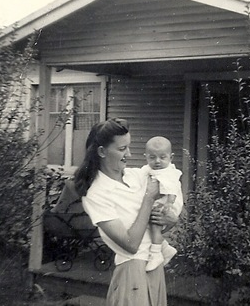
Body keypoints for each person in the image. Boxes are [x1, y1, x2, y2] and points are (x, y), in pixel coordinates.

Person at [73, 119, 182, 306]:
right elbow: (130, 244)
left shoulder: (136, 176)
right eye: (122, 149)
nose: (129, 154)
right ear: (102, 152)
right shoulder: (96, 194)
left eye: (129, 147)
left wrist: (172, 219)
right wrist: (148, 199)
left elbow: (154, 223)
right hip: (132, 269)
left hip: (154, 265)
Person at [141, 136, 183, 272]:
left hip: (169, 204)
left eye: (162, 157)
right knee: (148, 226)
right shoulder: (147, 169)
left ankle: (156, 253)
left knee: (154, 224)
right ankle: (166, 249)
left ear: (171, 157)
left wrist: (169, 204)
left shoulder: (169, 172)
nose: (157, 161)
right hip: (159, 203)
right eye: (152, 157)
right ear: (146, 156)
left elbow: (172, 190)